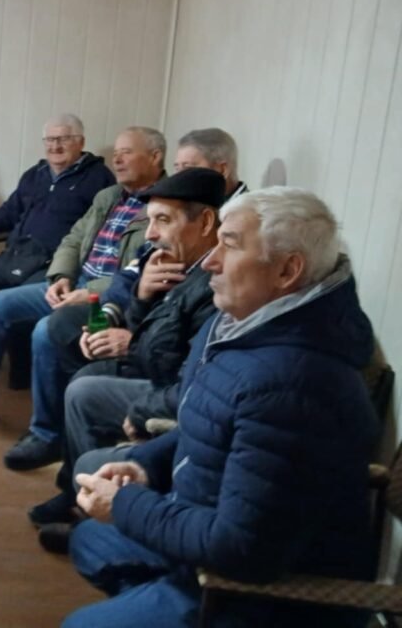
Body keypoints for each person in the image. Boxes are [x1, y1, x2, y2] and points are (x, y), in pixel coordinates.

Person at [63, 188, 377, 628]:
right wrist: (145, 466)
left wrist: (126, 504)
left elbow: (241, 549)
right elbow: (206, 423)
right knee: (90, 540)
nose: (210, 261)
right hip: (203, 527)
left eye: (229, 244)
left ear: (287, 270)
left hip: (262, 596)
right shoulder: (246, 326)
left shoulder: (294, 383)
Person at [9, 169, 223, 547]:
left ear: (205, 222)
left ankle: (95, 508)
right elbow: (136, 306)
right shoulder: (163, 255)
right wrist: (140, 296)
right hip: (151, 361)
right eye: (150, 220)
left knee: (84, 388)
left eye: (163, 220)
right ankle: (77, 490)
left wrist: (130, 344)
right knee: (76, 366)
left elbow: (185, 367)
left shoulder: (214, 280)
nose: (150, 233)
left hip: (169, 382)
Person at [0, 127, 164, 430]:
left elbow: (140, 271)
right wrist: (62, 275)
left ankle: (45, 431)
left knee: (44, 330)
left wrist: (87, 290)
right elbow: (73, 239)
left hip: (106, 297)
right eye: (116, 153)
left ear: (155, 157)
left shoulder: (160, 206)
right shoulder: (108, 196)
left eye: (126, 153)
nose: (117, 159)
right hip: (65, 277)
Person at [0, 114, 114, 320]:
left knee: (13, 303)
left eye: (63, 139)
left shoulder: (99, 177)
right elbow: (10, 210)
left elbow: (102, 230)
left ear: (81, 142)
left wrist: (68, 267)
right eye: (50, 140)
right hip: (16, 255)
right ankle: (4, 329)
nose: (55, 146)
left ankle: (7, 328)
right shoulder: (35, 174)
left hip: (53, 264)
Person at [174, 127, 246, 200]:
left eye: (187, 168)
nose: (177, 178)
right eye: (177, 168)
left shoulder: (246, 206)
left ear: (222, 170)